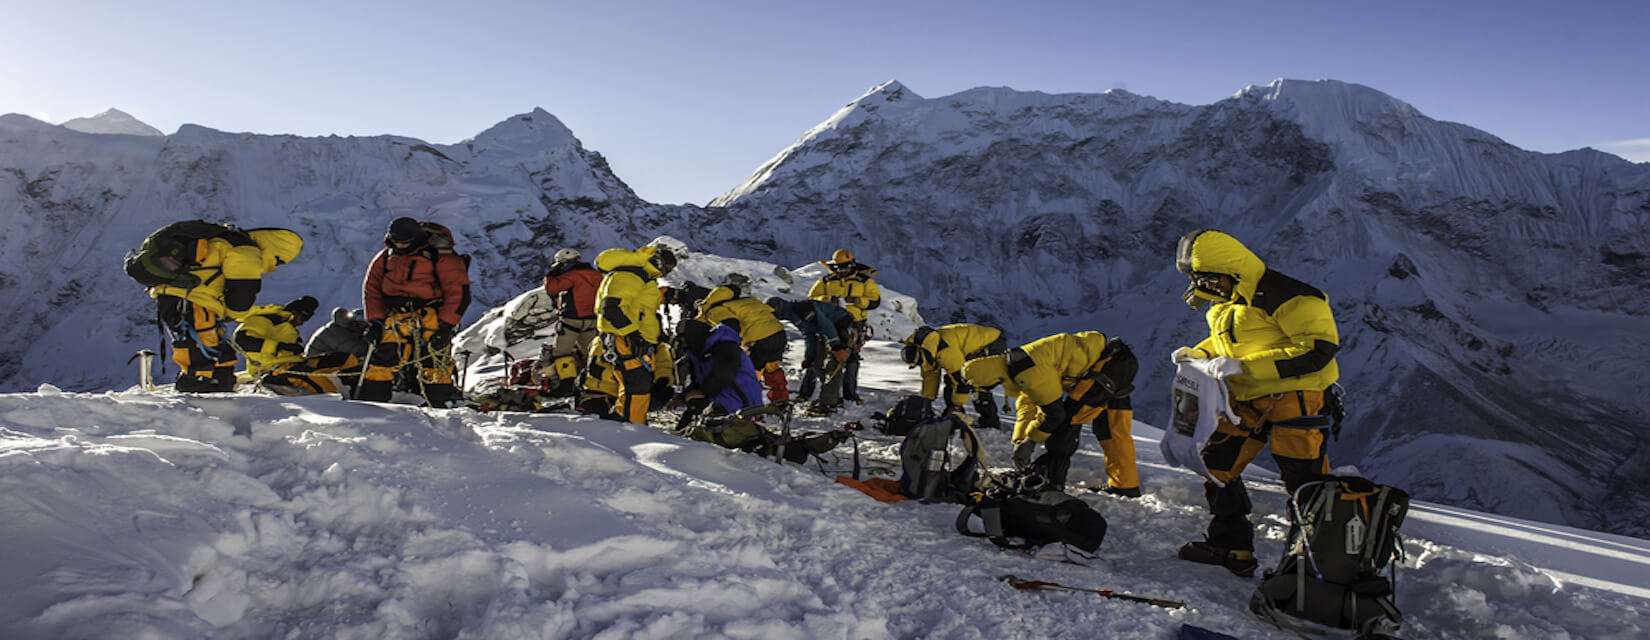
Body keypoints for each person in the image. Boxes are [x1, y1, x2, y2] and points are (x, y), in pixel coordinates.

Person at [1171, 229, 1342, 578]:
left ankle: (1311, 570)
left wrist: (1244, 366)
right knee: (1215, 465)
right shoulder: (1230, 302)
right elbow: (1231, 343)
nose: (1210, 289)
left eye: (1212, 280)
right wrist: (1200, 353)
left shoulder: (1293, 297)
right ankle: (1231, 546)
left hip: (1298, 399)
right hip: (1248, 397)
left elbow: (1316, 351)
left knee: (1305, 483)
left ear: (1231, 270)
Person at [126, 220, 303, 392]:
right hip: (195, 299)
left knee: (210, 343)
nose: (275, 265)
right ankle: (197, 385)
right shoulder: (246, 250)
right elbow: (243, 293)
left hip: (178, 296)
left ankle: (222, 381)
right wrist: (232, 313)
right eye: (279, 260)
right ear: (276, 250)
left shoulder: (223, 241)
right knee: (200, 343)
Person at [959, 332, 1140, 494]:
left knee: (1068, 422)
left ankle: (1053, 483)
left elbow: (1054, 414)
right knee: (1112, 430)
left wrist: (1030, 442)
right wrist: (1020, 440)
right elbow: (1028, 405)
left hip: (1106, 370)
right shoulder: (1015, 362)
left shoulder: (1028, 372)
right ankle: (1125, 485)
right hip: (1115, 364)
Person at [358, 217, 471, 406]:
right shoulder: (385, 256)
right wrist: (375, 321)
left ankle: (441, 402)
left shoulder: (441, 256)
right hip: (395, 316)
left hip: (431, 314)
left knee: (434, 358)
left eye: (404, 241)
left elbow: (458, 292)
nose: (400, 245)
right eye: (396, 241)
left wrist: (445, 326)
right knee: (383, 357)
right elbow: (372, 290)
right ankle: (372, 403)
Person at [592, 242, 677, 424]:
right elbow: (611, 308)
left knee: (639, 384)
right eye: (667, 267)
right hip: (625, 338)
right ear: (658, 262)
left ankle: (630, 423)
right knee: (636, 384)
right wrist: (633, 335)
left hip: (632, 337)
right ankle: (631, 427)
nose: (666, 272)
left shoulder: (641, 276)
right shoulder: (632, 274)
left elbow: (639, 306)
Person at [698, 273, 790, 402]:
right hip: (779, 333)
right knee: (771, 367)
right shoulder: (745, 301)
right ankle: (781, 399)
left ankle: (751, 408)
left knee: (750, 375)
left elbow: (730, 326)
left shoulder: (715, 310)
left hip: (761, 339)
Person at [900, 323, 1008, 429]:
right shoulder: (927, 350)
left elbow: (962, 380)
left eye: (918, 362)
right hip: (972, 349)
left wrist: (957, 404)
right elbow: (930, 376)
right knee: (951, 380)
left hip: (992, 344)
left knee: (976, 381)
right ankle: (953, 415)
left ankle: (989, 422)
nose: (920, 365)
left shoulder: (944, 350)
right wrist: (927, 400)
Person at [808, 249, 880, 403]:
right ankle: (810, 392)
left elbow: (875, 301)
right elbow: (811, 299)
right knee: (818, 356)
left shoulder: (864, 281)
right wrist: (826, 299)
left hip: (854, 324)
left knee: (851, 359)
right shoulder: (826, 281)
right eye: (839, 267)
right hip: (828, 323)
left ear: (852, 265)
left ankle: (849, 393)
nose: (842, 270)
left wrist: (857, 301)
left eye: (845, 267)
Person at [767, 297, 855, 415]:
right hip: (827, 331)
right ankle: (830, 395)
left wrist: (836, 345)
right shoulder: (793, 315)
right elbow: (808, 333)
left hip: (841, 324)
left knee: (834, 364)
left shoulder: (803, 309)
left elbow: (826, 324)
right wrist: (810, 356)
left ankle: (828, 403)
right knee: (815, 364)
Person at [671, 318, 765, 425]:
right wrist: (683, 397)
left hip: (740, 398)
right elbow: (698, 383)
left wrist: (702, 392)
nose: (683, 345)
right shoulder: (699, 354)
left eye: (684, 340)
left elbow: (723, 374)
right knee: (692, 410)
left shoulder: (725, 346)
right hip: (719, 395)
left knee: (710, 424)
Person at [540, 247, 603, 395]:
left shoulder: (571, 276)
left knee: (562, 353)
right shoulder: (597, 276)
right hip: (593, 321)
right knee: (590, 354)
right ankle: (593, 384)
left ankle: (566, 386)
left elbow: (551, 288)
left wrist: (551, 273)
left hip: (572, 321)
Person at [233, 296, 319, 376]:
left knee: (323, 362)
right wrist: (279, 346)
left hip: (286, 365)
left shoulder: (285, 328)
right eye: (303, 318)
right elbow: (242, 341)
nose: (302, 323)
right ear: (294, 312)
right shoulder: (262, 320)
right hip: (266, 369)